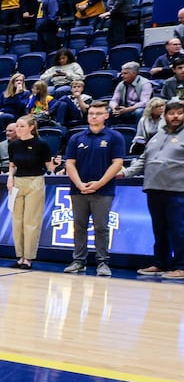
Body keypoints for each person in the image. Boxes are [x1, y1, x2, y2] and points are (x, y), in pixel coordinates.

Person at [61, 102, 125, 276]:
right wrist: (80, 184)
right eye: (91, 113)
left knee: (101, 227)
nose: (94, 116)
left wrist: (99, 183)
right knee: (79, 226)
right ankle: (78, 261)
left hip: (103, 191)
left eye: (98, 113)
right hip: (78, 190)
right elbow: (69, 163)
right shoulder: (77, 138)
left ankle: (102, 262)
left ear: (106, 115)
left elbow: (118, 163)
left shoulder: (114, 137)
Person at [123, 99, 184, 278]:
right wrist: (126, 173)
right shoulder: (157, 135)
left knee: (179, 229)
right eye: (172, 113)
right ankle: (161, 263)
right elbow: (143, 159)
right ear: (165, 116)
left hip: (178, 190)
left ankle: (181, 266)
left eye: (180, 113)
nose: (176, 116)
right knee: (159, 229)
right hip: (154, 188)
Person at [4, 116, 58, 269]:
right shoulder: (13, 145)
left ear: (31, 128)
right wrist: (10, 178)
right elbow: (12, 165)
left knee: (31, 221)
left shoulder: (41, 144)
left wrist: (55, 164)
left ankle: (28, 257)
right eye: (17, 126)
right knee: (17, 221)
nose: (18, 129)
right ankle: (19, 256)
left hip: (35, 181)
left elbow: (49, 167)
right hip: (17, 182)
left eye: (21, 126)